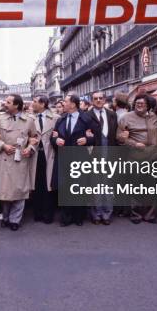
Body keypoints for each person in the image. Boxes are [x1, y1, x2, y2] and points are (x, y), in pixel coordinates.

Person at [0, 94, 38, 231]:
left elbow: (34, 137)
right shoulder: (0, 118)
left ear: (16, 105)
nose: (5, 103)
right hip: (5, 157)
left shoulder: (29, 120)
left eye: (8, 102)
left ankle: (15, 220)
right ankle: (5, 217)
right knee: (5, 192)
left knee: (19, 191)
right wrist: (3, 145)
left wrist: (30, 148)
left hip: (21, 159)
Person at [52, 94, 97, 227]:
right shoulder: (61, 119)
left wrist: (87, 140)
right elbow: (53, 137)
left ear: (73, 104)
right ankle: (66, 217)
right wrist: (56, 140)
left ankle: (79, 217)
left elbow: (96, 137)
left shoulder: (87, 118)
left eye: (65, 101)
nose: (62, 104)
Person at [117, 94, 157, 224]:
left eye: (142, 103)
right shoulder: (126, 117)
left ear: (148, 105)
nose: (140, 105)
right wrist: (134, 144)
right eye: (137, 103)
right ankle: (136, 214)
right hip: (136, 156)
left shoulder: (155, 117)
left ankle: (150, 215)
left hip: (154, 156)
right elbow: (119, 137)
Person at [86, 91, 118, 225]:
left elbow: (115, 134)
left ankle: (107, 213)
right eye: (95, 98)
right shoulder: (87, 116)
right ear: (92, 100)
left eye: (100, 98)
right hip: (94, 155)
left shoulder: (112, 114)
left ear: (104, 99)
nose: (98, 100)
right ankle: (96, 214)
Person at [29, 96, 58, 224]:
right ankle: (37, 213)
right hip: (34, 155)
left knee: (48, 185)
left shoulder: (56, 118)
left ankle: (48, 214)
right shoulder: (30, 118)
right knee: (36, 184)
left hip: (49, 154)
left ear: (42, 104)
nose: (32, 104)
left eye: (35, 102)